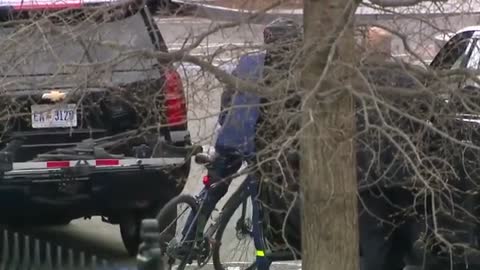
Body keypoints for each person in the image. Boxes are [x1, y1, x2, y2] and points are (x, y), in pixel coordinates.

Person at [179, 17, 303, 249]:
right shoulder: (293, 73)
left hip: (231, 138)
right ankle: (265, 249)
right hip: (258, 145)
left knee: (214, 187)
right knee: (264, 194)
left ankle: (187, 239)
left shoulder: (249, 62)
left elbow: (228, 98)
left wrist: (226, 124)